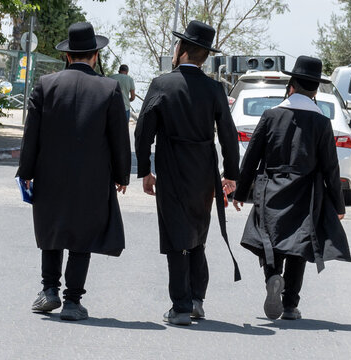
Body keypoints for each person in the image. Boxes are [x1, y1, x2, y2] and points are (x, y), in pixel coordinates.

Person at [17, 22, 131, 321]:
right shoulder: (109, 88)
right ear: (95, 55)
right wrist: (122, 176)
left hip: (49, 172)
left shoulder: (45, 84)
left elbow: (32, 134)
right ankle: (72, 302)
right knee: (83, 235)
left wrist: (26, 171)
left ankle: (49, 290)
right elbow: (119, 138)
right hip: (92, 176)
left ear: (68, 56)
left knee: (52, 228)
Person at [135, 20, 241, 326]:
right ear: (205, 56)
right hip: (205, 172)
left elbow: (143, 132)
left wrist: (145, 170)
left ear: (181, 51)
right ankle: (196, 300)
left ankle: (180, 305)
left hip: (171, 167)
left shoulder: (161, 84)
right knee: (198, 233)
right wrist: (230, 174)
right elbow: (229, 135)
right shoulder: (214, 88)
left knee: (174, 236)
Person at [233, 56, 351, 321]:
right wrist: (338, 204)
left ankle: (273, 276)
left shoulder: (271, 115)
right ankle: (290, 305)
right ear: (316, 91)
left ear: (291, 86)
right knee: (299, 246)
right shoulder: (321, 123)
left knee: (269, 240)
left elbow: (251, 157)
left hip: (270, 188)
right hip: (305, 192)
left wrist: (240, 192)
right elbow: (331, 168)